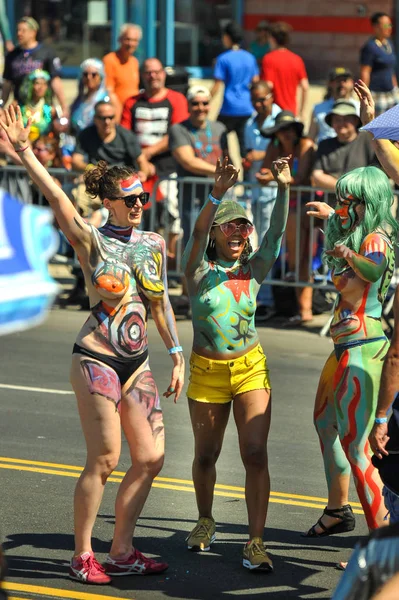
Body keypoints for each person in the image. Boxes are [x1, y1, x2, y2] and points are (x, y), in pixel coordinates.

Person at [0, 105, 185, 584]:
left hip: (138, 364)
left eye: (142, 196)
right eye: (130, 199)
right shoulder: (91, 240)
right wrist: (24, 151)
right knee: (104, 460)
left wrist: (177, 354)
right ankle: (82, 554)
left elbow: (160, 303)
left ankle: (121, 549)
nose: (139, 204)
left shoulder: (152, 243)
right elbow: (57, 195)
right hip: (97, 361)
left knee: (150, 458)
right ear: (109, 201)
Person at [182, 156, 290, 572]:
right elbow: (193, 234)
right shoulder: (197, 271)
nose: (240, 234)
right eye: (230, 226)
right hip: (207, 374)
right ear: (214, 234)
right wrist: (217, 195)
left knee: (256, 453)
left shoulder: (253, 270)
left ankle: (256, 542)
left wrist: (283, 187)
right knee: (206, 456)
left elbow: (277, 232)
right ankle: (205, 519)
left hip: (250, 369)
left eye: (244, 228)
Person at [302, 165, 398, 542]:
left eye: (349, 201)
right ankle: (337, 510)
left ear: (367, 202)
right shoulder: (360, 234)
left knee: (357, 448)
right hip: (344, 346)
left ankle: (382, 544)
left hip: (363, 348)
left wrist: (344, 248)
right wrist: (335, 227)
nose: (342, 206)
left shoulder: (375, 240)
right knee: (326, 425)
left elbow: (372, 270)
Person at [121, 58, 189, 244]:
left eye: (157, 72)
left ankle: (171, 262)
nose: (153, 76)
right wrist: (141, 160)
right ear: (142, 76)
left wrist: (147, 153)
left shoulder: (177, 99)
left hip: (168, 169)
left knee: (171, 215)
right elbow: (126, 135)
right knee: (138, 214)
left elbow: (177, 133)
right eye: (148, 72)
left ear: (163, 74)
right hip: (139, 171)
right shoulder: (132, 102)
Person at [256, 111, 315, 324]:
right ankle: (300, 308)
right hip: (286, 204)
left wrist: (271, 177)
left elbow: (301, 178)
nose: (286, 134)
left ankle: (304, 308)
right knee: (292, 257)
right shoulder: (274, 146)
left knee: (302, 258)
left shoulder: (305, 145)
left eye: (289, 129)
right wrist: (266, 176)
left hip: (307, 205)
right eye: (282, 130)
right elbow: (265, 169)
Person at [169, 85, 228, 247]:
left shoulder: (219, 128)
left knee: (221, 239)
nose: (200, 108)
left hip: (218, 195)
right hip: (191, 195)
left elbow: (227, 158)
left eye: (204, 103)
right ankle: (192, 273)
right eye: (195, 103)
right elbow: (188, 161)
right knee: (194, 238)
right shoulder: (178, 129)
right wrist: (220, 172)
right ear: (188, 105)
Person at [243, 81, 281, 319]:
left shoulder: (280, 119)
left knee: (270, 245)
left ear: (271, 96)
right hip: (255, 190)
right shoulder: (249, 122)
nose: (259, 104)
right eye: (255, 100)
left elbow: (285, 149)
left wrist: (258, 155)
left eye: (263, 99)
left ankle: (268, 298)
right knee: (256, 245)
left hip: (274, 193)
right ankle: (259, 295)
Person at [211, 21, 259, 159]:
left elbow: (217, 85)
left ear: (227, 37)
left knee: (219, 139)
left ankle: (229, 170)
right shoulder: (250, 58)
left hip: (229, 108)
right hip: (247, 107)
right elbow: (255, 82)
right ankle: (248, 176)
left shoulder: (223, 59)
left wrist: (205, 99)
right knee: (244, 146)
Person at [1, 17, 67, 116]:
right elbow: (7, 84)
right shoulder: (12, 55)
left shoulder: (47, 52)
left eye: (23, 31)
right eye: (18, 30)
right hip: (21, 109)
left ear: (33, 32)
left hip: (43, 109)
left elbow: (55, 81)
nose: (19, 34)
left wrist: (64, 106)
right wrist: (2, 105)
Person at [72, 100, 149, 177]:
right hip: (97, 180)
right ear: (95, 119)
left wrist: (143, 174)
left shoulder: (127, 135)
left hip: (122, 181)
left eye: (111, 117)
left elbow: (141, 161)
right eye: (103, 118)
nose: (107, 122)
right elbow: (76, 161)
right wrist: (91, 168)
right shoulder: (86, 135)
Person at [311, 100, 376, 193]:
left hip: (363, 202)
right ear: (331, 123)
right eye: (337, 119)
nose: (341, 123)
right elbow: (317, 176)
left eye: (346, 119)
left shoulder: (369, 139)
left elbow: (378, 174)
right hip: (332, 204)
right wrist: (345, 188)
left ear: (356, 121)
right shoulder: (324, 145)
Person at [260, 22, 309, 120]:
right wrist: (302, 112)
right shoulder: (297, 59)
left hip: (274, 113)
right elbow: (305, 86)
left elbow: (268, 85)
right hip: (291, 112)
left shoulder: (269, 59)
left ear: (272, 39)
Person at [360, 12, 399, 117]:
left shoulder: (389, 44)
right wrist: (365, 97)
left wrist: (396, 89)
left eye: (390, 25)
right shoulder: (370, 47)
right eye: (386, 25)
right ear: (376, 27)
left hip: (391, 93)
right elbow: (365, 72)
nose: (389, 28)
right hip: (377, 95)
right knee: (379, 129)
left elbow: (391, 69)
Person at [308, 67, 360, 145]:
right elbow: (310, 138)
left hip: (352, 150)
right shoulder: (318, 108)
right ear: (330, 83)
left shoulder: (360, 107)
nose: (342, 84)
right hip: (325, 152)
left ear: (352, 83)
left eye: (345, 80)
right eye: (338, 81)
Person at [103, 23, 142, 122]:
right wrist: (120, 116)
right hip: (119, 116)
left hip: (133, 114)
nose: (130, 44)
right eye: (127, 39)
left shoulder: (134, 62)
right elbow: (109, 92)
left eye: (134, 40)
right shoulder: (110, 60)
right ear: (120, 40)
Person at [70, 58, 110, 136]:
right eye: (85, 74)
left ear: (100, 77)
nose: (89, 77)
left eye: (94, 74)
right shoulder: (79, 100)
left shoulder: (108, 98)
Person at [19, 69, 55, 142]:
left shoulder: (49, 110)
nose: (41, 87)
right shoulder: (21, 107)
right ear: (30, 85)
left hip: (41, 148)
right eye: (37, 83)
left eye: (44, 84)